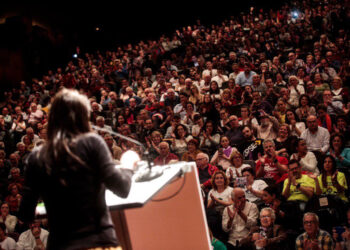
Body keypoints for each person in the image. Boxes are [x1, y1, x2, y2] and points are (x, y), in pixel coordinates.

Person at [18, 89, 134, 249]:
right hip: (99, 243)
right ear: (82, 117)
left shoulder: (36, 156)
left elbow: (25, 213)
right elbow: (123, 189)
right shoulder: (92, 143)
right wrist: (128, 165)